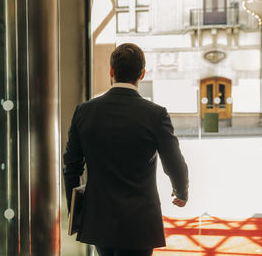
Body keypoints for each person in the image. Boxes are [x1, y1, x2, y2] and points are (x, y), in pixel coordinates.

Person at [63, 43, 189, 256]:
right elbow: (174, 161)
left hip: (98, 218)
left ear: (111, 71)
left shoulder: (85, 112)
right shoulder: (155, 114)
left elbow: (71, 166)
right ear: (142, 73)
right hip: (139, 223)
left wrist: (77, 212)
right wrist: (181, 191)